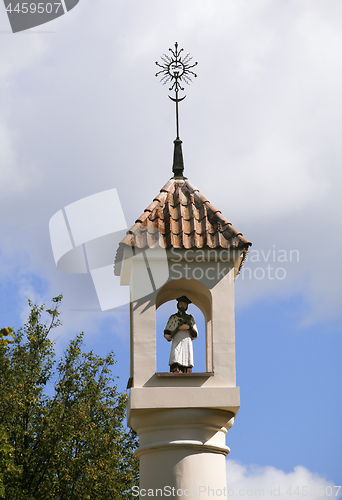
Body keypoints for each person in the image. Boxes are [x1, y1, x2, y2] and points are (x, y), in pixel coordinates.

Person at [164, 296, 198, 373]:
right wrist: (167, 335)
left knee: (186, 354)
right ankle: (176, 368)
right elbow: (167, 329)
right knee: (176, 353)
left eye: (184, 304)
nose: (182, 306)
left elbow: (195, 334)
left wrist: (188, 327)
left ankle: (186, 370)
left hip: (186, 339)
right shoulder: (173, 317)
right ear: (178, 305)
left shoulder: (190, 318)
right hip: (177, 338)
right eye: (181, 304)